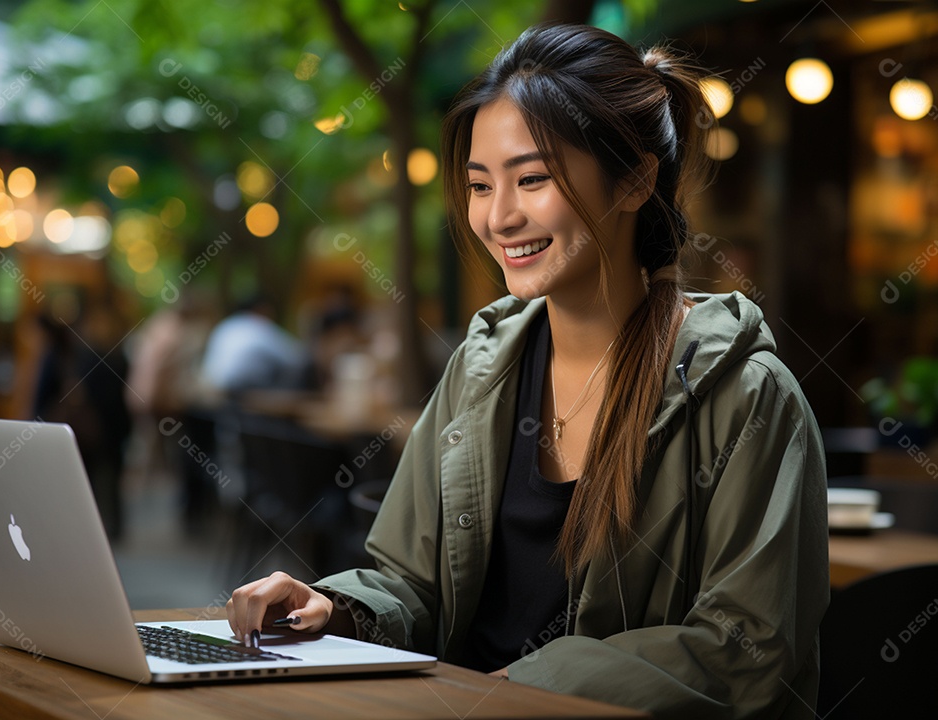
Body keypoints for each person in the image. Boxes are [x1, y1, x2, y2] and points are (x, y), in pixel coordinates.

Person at [227, 24, 828, 718]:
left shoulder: (747, 396)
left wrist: (527, 687)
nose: (499, 217)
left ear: (636, 179)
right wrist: (335, 608)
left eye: (532, 179)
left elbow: (746, 651)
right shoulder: (481, 370)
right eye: (480, 185)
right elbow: (411, 583)